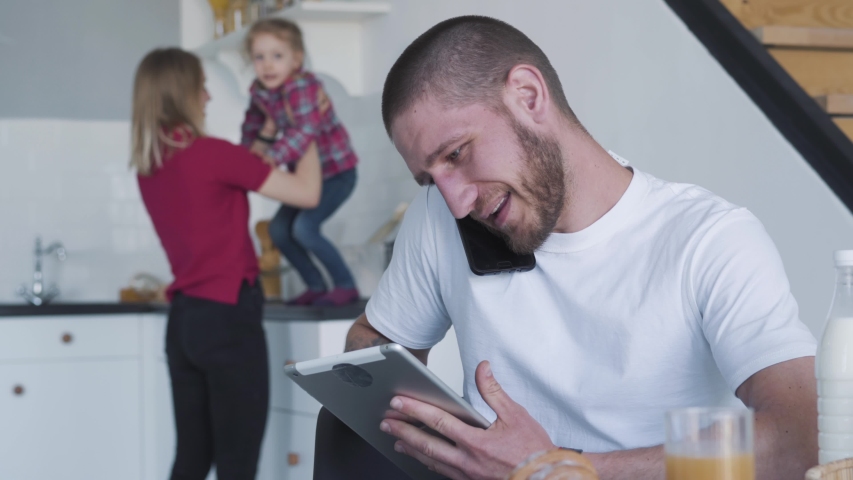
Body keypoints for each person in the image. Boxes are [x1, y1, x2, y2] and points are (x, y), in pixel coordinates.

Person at [315, 15, 819, 480]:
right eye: (430, 178)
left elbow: (803, 440)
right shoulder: (442, 217)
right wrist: (444, 432)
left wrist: (552, 468)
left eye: (457, 154)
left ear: (529, 96)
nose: (457, 200)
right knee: (338, 428)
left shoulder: (709, 240)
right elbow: (374, 345)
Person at [131, 48, 321, 480]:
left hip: (184, 324)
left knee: (192, 459)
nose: (208, 97)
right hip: (228, 319)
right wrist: (305, 130)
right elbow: (307, 193)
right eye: (201, 86)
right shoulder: (214, 155)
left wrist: (268, 138)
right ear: (183, 93)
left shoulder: (150, 166)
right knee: (238, 465)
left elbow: (231, 175)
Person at [241, 18, 360, 307]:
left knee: (305, 229)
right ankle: (316, 286)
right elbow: (251, 126)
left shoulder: (302, 86)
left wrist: (272, 157)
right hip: (306, 179)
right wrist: (244, 156)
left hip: (337, 173)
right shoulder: (260, 90)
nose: (267, 65)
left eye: (277, 56)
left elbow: (304, 131)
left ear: (296, 59)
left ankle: (345, 284)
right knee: (278, 230)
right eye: (260, 57)